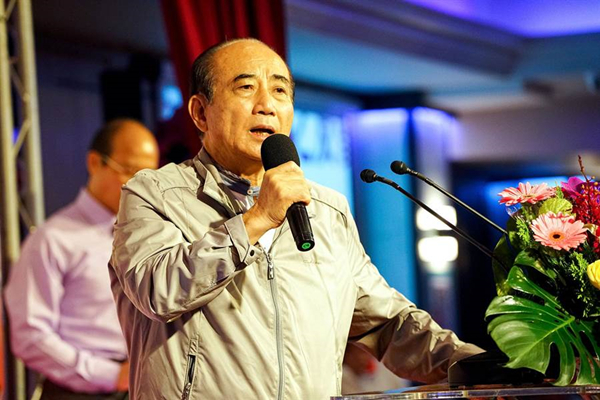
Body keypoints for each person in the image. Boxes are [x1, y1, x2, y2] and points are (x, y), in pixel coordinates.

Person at [109, 38, 483, 400]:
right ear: (200, 113)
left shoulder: (327, 210)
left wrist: (478, 366)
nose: (266, 105)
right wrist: (257, 218)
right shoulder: (154, 193)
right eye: (245, 88)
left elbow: (389, 324)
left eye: (280, 91)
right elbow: (157, 292)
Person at [4, 119, 159, 400]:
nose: (140, 185)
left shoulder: (150, 235)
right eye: (129, 170)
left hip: (142, 383)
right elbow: (30, 336)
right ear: (94, 163)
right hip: (81, 391)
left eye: (149, 175)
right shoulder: (54, 239)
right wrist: (110, 375)